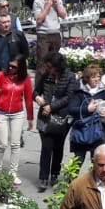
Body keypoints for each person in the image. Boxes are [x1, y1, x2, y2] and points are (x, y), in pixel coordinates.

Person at [0, 52, 34, 183]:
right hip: (1, 112)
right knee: (2, 144)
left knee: (16, 144)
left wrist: (30, 118)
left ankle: (13, 172)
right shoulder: (1, 75)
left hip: (17, 113)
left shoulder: (25, 78)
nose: (10, 68)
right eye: (10, 66)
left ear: (21, 67)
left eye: (14, 67)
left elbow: (28, 99)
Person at [33, 52, 77, 192]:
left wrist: (51, 107)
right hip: (45, 117)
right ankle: (43, 177)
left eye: (50, 67)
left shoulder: (70, 77)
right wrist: (38, 99)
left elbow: (69, 97)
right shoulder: (46, 76)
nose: (48, 69)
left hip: (61, 118)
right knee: (46, 147)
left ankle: (55, 174)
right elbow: (35, 91)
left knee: (58, 147)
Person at [69, 63, 105, 171]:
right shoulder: (79, 92)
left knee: (97, 162)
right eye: (93, 77)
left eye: (98, 77)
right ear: (87, 78)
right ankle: (71, 185)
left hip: (97, 133)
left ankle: (93, 185)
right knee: (77, 162)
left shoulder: (102, 91)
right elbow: (71, 109)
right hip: (82, 131)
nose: (96, 80)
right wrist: (87, 109)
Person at [31, 0, 67, 64]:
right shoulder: (38, 2)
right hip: (43, 34)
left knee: (55, 61)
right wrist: (47, 6)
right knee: (42, 61)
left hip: (56, 33)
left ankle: (53, 76)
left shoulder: (58, 0)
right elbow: (39, 19)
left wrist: (57, 5)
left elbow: (64, 15)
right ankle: (41, 76)